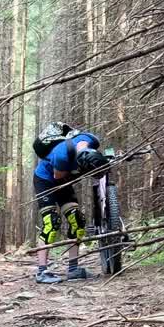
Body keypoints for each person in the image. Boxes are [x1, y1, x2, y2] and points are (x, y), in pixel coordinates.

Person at [31, 121, 111, 284]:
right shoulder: (62, 154)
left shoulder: (91, 140)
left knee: (78, 221)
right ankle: (42, 271)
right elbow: (58, 176)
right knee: (51, 223)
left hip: (65, 182)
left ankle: (73, 269)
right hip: (46, 180)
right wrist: (80, 169)